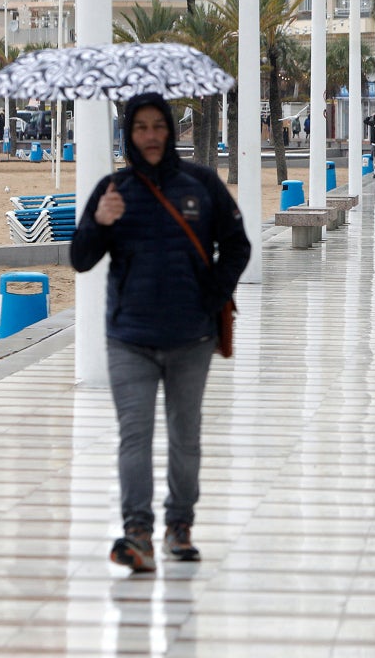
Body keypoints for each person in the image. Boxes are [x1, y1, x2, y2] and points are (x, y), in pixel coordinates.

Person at [70, 92, 251, 572]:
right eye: (140, 127)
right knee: (135, 436)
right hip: (129, 338)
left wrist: (213, 295)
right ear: (129, 135)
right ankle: (137, 532)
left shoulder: (202, 184)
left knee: (185, 435)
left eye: (158, 126)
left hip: (192, 338)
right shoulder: (113, 190)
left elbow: (237, 246)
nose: (150, 135)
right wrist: (98, 223)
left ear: (170, 130)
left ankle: (179, 526)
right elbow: (81, 258)